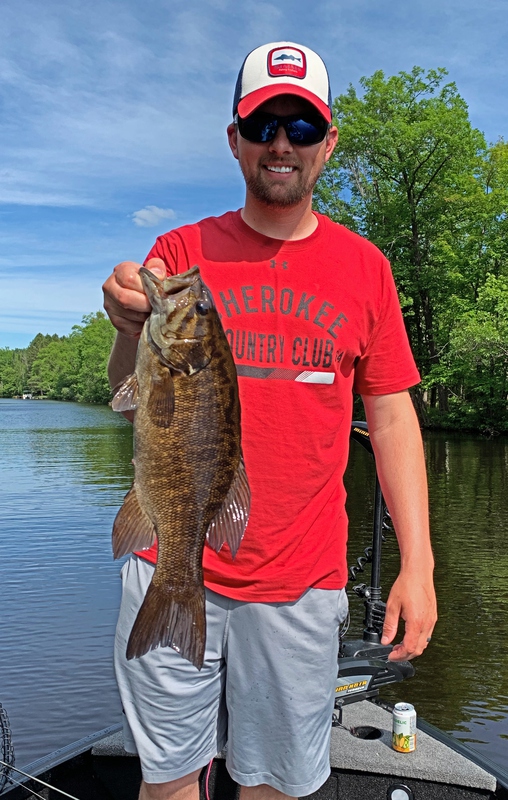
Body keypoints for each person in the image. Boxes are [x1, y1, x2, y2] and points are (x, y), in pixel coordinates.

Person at [103, 41, 437, 800]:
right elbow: (129, 389)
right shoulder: (182, 252)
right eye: (263, 125)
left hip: (300, 580)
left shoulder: (366, 269)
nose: (281, 143)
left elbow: (391, 417)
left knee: (276, 787)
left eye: (301, 125)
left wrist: (417, 563)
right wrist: (127, 327)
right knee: (168, 780)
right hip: (167, 555)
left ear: (328, 142)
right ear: (235, 139)